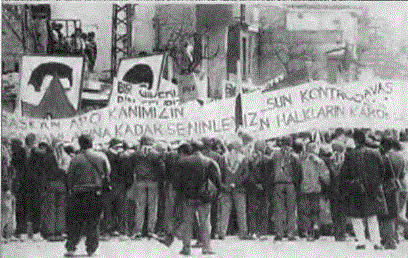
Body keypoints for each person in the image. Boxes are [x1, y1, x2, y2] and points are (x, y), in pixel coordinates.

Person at [339, 129, 388, 250]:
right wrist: (376, 182)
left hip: (356, 189)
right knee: (372, 217)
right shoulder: (375, 153)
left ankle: (361, 242)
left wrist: (350, 185)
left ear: (355, 141)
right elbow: (383, 171)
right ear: (365, 139)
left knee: (356, 218)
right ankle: (376, 242)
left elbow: (344, 174)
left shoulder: (350, 155)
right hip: (373, 189)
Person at [64, 134, 111, 257]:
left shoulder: (75, 159)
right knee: (94, 222)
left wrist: (70, 190)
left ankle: (71, 247)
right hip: (96, 193)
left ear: (80, 144)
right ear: (92, 143)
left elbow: (69, 177)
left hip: (78, 193)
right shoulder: (101, 156)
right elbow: (108, 172)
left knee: (76, 221)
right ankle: (91, 249)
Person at [172, 142, 222, 255]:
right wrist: (217, 192)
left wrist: (181, 194)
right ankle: (206, 247)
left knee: (187, 223)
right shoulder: (208, 161)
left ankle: (186, 248)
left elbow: (177, 181)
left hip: (188, 196)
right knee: (204, 222)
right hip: (203, 197)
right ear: (202, 149)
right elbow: (216, 179)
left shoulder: (182, 162)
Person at [216, 141, 253, 240]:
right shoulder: (243, 158)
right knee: (241, 211)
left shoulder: (223, 158)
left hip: (226, 188)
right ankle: (243, 233)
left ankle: (221, 232)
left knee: (224, 211)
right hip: (239, 188)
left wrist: (224, 184)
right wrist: (236, 183)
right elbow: (246, 174)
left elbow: (219, 172)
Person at [270, 136, 302, 241]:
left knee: (278, 209)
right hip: (290, 184)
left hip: (278, 183)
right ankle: (290, 233)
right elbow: (298, 172)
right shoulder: (294, 156)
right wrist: (296, 185)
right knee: (291, 210)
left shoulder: (275, 154)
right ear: (291, 143)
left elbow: (270, 169)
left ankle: (279, 232)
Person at [378, 137, 408, 249]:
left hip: (386, 187)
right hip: (399, 186)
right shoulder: (401, 157)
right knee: (395, 213)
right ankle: (394, 237)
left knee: (386, 215)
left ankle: (389, 240)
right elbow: (402, 174)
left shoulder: (383, 157)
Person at [298, 142, 330, 241]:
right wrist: (327, 184)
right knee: (315, 211)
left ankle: (307, 231)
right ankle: (315, 228)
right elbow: (325, 176)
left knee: (305, 211)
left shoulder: (301, 160)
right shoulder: (319, 161)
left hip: (304, 188)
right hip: (316, 189)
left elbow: (297, 173)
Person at [99, 139, 129, 240]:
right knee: (120, 209)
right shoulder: (124, 156)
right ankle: (121, 231)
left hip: (109, 185)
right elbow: (127, 172)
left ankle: (108, 231)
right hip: (120, 185)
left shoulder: (106, 155)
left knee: (109, 209)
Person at [38, 142, 67, 242]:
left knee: (51, 208)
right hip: (60, 184)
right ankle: (58, 232)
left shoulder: (48, 156)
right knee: (59, 208)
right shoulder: (62, 157)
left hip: (51, 185)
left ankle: (51, 232)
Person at [247, 140, 274, 241]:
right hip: (264, 188)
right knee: (263, 211)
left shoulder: (250, 159)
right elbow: (271, 175)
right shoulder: (268, 159)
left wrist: (255, 184)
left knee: (253, 211)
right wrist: (263, 185)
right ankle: (262, 232)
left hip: (253, 188)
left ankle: (253, 232)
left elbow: (248, 175)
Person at [326, 142, 348, 242]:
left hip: (333, 189)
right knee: (342, 213)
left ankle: (337, 233)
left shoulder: (329, 160)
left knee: (335, 213)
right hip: (343, 190)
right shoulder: (346, 159)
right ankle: (342, 233)